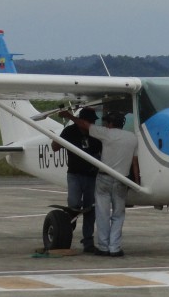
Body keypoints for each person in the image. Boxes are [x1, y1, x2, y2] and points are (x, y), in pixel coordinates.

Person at [61, 107, 139, 257]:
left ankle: (103, 247)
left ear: (110, 123)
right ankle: (115, 248)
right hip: (122, 179)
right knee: (118, 214)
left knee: (102, 213)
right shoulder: (132, 138)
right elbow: (134, 163)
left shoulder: (106, 134)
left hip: (104, 178)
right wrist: (136, 182)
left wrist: (68, 115)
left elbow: (83, 125)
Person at [52, 107, 102, 252]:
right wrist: (57, 139)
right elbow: (55, 147)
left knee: (90, 208)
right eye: (90, 121)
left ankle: (88, 241)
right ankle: (68, 225)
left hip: (91, 176)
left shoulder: (95, 134)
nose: (92, 124)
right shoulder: (69, 131)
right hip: (74, 174)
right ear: (83, 120)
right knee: (74, 204)